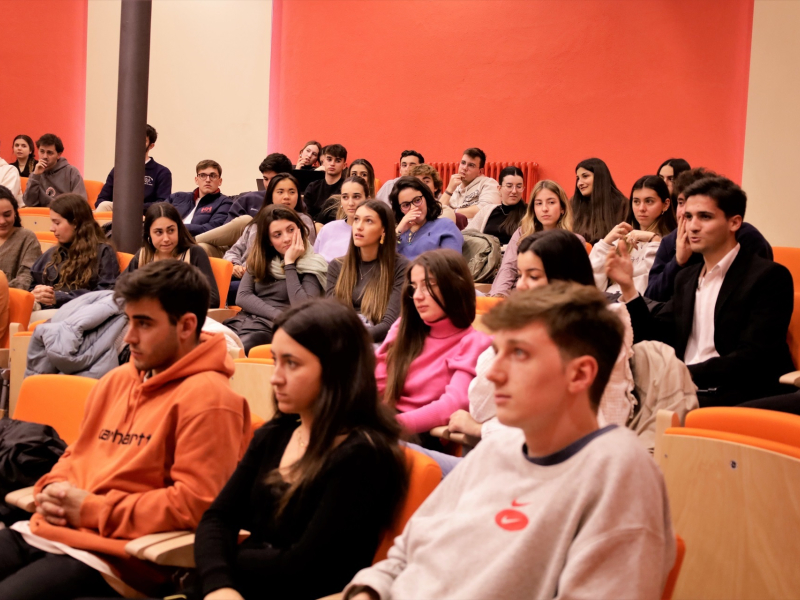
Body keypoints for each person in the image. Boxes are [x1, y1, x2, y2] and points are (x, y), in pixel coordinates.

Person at [344, 283, 675, 600]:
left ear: (579, 374)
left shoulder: (620, 475)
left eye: (518, 353)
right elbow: (407, 550)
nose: (491, 373)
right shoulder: (499, 448)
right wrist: (367, 591)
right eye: (496, 351)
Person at [0, 260, 252, 598]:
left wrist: (92, 509)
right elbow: (79, 453)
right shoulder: (118, 380)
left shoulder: (213, 400)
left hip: (120, 561)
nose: (129, 337)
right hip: (52, 531)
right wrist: (54, 486)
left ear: (187, 326)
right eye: (129, 321)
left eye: (144, 324)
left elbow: (194, 506)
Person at [194, 299, 407, 600]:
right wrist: (219, 585)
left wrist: (230, 560)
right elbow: (218, 519)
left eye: (291, 363)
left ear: (336, 370)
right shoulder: (275, 434)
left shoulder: (363, 455)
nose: (275, 377)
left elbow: (305, 569)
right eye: (275, 361)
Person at [420, 229, 635, 475]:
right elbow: (483, 405)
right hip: (514, 460)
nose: (520, 286)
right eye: (520, 275)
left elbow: (574, 432)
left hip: (565, 473)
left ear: (564, 279)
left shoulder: (598, 329)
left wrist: (481, 429)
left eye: (533, 276)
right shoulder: (536, 326)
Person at [608, 176, 795, 406]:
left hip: (741, 390)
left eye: (705, 217)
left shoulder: (769, 277)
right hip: (687, 387)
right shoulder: (687, 277)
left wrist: (681, 372)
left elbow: (753, 358)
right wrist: (628, 288)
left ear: (734, 222)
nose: (692, 226)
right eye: (688, 216)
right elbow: (655, 338)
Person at [376, 249, 491, 437]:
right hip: (383, 423)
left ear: (454, 287)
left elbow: (452, 405)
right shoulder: (404, 327)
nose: (418, 296)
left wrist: (387, 426)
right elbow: (376, 383)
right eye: (414, 287)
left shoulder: (474, 342)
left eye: (428, 285)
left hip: (418, 434)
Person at [645, 167, 772, 301]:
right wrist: (678, 262)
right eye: (681, 203)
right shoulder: (670, 241)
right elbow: (652, 297)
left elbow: (756, 292)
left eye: (704, 215)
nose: (684, 212)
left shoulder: (746, 237)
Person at [225, 205, 327, 354]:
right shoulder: (261, 258)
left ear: (300, 229)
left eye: (291, 230)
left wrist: (290, 264)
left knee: (239, 349)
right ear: (269, 241)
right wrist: (278, 315)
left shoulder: (312, 264)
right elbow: (242, 297)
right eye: (277, 234)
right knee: (208, 342)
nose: (286, 238)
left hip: (272, 329)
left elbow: (303, 308)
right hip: (243, 321)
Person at [327, 200, 408, 343]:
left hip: (377, 340)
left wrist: (353, 339)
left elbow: (389, 325)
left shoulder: (401, 267)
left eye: (369, 221)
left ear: (384, 230)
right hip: (340, 338)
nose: (359, 227)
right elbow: (330, 317)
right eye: (356, 219)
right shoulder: (337, 266)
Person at [198, 167, 315, 259]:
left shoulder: (303, 221)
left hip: (261, 274)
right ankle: (189, 242)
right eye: (280, 192)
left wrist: (244, 268)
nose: (286, 197)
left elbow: (304, 256)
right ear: (271, 196)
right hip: (239, 268)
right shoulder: (258, 221)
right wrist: (234, 264)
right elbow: (235, 250)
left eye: (292, 192)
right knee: (200, 248)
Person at [490, 179, 579, 297]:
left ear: (562, 208)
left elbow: (571, 284)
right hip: (513, 295)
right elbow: (508, 267)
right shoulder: (522, 233)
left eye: (551, 202)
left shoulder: (574, 241)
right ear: (533, 209)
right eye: (539, 203)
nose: (545, 209)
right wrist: (499, 295)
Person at [30, 194, 119, 310]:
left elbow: (105, 294)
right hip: (46, 310)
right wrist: (36, 293)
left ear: (76, 223)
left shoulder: (103, 252)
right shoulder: (53, 253)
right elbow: (32, 283)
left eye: (57, 223)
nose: (51, 228)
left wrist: (61, 297)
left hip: (79, 313)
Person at [590, 175, 676, 295]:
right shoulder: (620, 239)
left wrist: (654, 240)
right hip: (610, 306)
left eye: (649, 201)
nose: (641, 208)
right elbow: (591, 287)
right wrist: (605, 244)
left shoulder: (671, 242)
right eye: (636, 201)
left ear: (666, 204)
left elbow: (655, 289)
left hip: (642, 308)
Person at [124, 202, 220, 308]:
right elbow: (119, 289)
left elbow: (212, 299)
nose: (166, 239)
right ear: (149, 234)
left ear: (179, 230)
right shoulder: (143, 255)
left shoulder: (195, 253)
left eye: (171, 230)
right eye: (159, 232)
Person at [94, 124, 172, 213]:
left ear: (151, 146)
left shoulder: (162, 172)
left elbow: (162, 204)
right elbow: (101, 200)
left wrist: (132, 208)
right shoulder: (118, 170)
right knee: (102, 206)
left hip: (144, 216)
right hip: (115, 214)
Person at [390, 176, 463, 260]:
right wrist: (398, 231)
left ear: (426, 199)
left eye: (417, 200)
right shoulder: (399, 234)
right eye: (406, 205)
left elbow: (452, 266)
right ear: (400, 210)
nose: (413, 208)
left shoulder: (445, 226)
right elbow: (381, 264)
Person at [570, 157, 628, 244]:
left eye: (585, 176)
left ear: (599, 177)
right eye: (578, 178)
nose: (579, 183)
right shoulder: (573, 203)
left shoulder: (622, 204)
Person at [167, 159, 232, 236]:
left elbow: (213, 228)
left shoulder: (225, 202)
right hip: (166, 237)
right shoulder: (177, 197)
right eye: (203, 175)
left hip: (194, 241)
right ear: (196, 180)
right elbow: (157, 215)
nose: (208, 180)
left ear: (220, 181)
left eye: (213, 176)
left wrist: (177, 228)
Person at [464, 166, 527, 245]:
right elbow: (467, 234)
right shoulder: (488, 210)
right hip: (485, 255)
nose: (514, 191)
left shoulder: (528, 213)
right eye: (509, 186)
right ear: (499, 188)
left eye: (519, 186)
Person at [23, 134, 87, 207]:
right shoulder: (36, 174)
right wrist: (35, 176)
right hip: (41, 216)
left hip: (64, 215)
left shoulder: (72, 172)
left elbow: (80, 203)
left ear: (58, 155)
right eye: (42, 151)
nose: (45, 156)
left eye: (49, 153)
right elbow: (29, 202)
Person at [314, 176, 368, 261]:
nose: (350, 203)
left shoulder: (373, 232)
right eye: (345, 197)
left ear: (367, 200)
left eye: (356, 197)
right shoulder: (327, 229)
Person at [440, 147, 500, 221]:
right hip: (451, 229)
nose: (464, 168)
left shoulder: (488, 183)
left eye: (471, 165)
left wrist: (452, 212)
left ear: (480, 171)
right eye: (463, 163)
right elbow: (438, 212)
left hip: (473, 231)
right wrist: (449, 189)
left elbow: (486, 209)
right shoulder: (454, 187)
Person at [0, 185, 42, 289]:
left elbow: (27, 278)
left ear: (15, 212)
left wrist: (3, 292)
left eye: (7, 215)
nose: (2, 221)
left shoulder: (27, 238)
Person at [304, 144, 347, 223]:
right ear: (323, 162)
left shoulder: (347, 189)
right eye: (329, 159)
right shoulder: (312, 187)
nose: (332, 164)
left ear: (344, 165)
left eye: (338, 161)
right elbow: (306, 214)